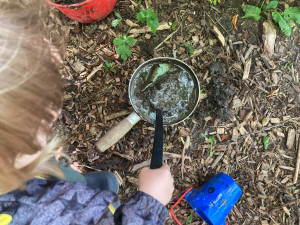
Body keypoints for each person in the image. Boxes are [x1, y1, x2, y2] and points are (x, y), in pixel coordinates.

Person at [0, 1, 174, 225]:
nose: (56, 56)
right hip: (75, 201)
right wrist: (150, 203)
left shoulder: (14, 156)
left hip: (46, 177)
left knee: (90, 181)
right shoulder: (58, 216)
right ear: (24, 130)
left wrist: (39, 157)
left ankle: (97, 184)